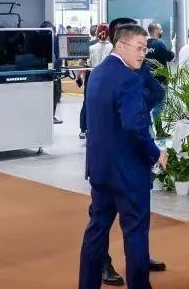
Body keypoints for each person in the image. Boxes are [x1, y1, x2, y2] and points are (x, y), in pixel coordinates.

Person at [79, 23, 167, 289]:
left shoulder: (97, 73)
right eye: (139, 48)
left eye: (145, 48)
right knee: (135, 233)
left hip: (100, 169)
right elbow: (134, 127)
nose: (143, 54)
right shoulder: (128, 78)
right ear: (120, 45)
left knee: (96, 231)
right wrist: (155, 153)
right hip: (128, 172)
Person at [80, 24, 113, 140]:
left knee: (88, 103)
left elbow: (85, 63)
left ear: (97, 34)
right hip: (108, 79)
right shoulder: (112, 48)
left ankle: (84, 129)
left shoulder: (91, 48)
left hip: (92, 78)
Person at [41, 21, 63, 124]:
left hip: (50, 71)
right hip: (48, 72)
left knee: (54, 94)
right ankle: (49, 116)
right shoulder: (51, 40)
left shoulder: (53, 40)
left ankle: (50, 116)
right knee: (54, 94)